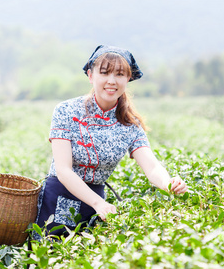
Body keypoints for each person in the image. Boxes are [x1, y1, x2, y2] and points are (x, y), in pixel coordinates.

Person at [33, 45, 187, 240]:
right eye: (104, 73)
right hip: (58, 199)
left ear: (128, 79)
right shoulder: (66, 111)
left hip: (97, 206)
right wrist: (98, 203)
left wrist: (169, 184)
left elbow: (152, 166)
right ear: (91, 75)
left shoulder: (130, 123)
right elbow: (63, 170)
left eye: (120, 74)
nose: (112, 81)